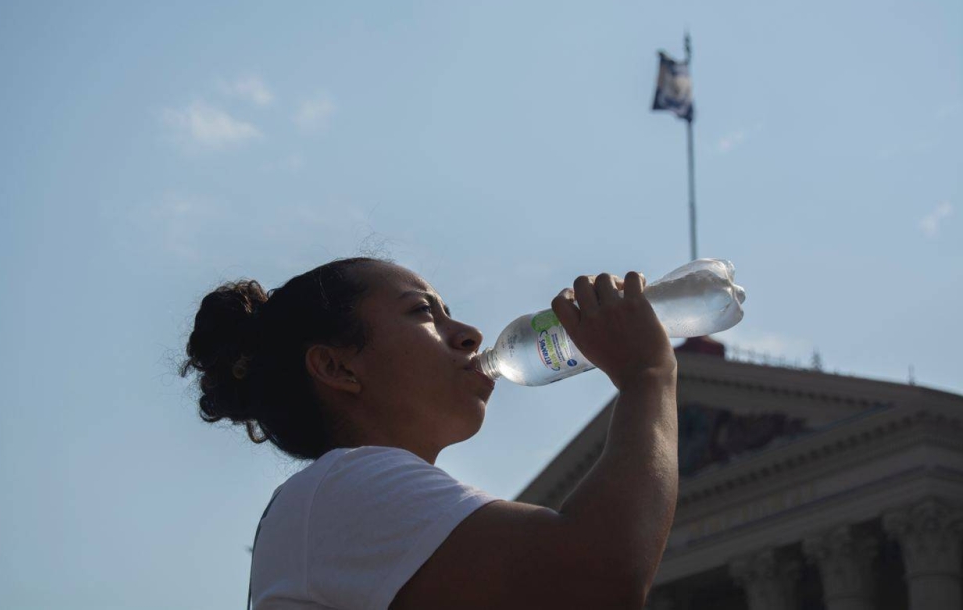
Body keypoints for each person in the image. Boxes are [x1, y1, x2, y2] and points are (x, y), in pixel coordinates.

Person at [181, 257, 679, 609]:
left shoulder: (345, 503)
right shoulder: (347, 486)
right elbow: (597, 580)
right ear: (336, 366)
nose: (468, 333)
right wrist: (647, 377)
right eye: (423, 312)